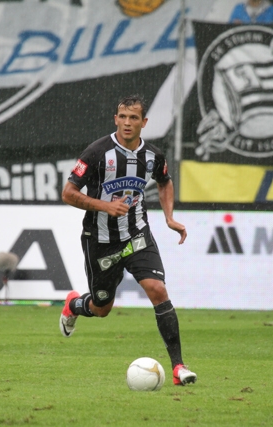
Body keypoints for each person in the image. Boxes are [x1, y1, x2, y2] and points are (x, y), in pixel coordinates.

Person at [59, 94, 197, 386]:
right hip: (100, 240)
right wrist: (105, 206)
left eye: (134, 118)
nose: (127, 123)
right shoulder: (97, 153)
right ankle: (73, 304)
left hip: (137, 234)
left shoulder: (153, 156)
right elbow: (68, 193)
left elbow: (165, 181)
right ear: (115, 119)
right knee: (101, 308)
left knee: (157, 289)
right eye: (122, 117)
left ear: (144, 123)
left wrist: (169, 217)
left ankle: (178, 367)